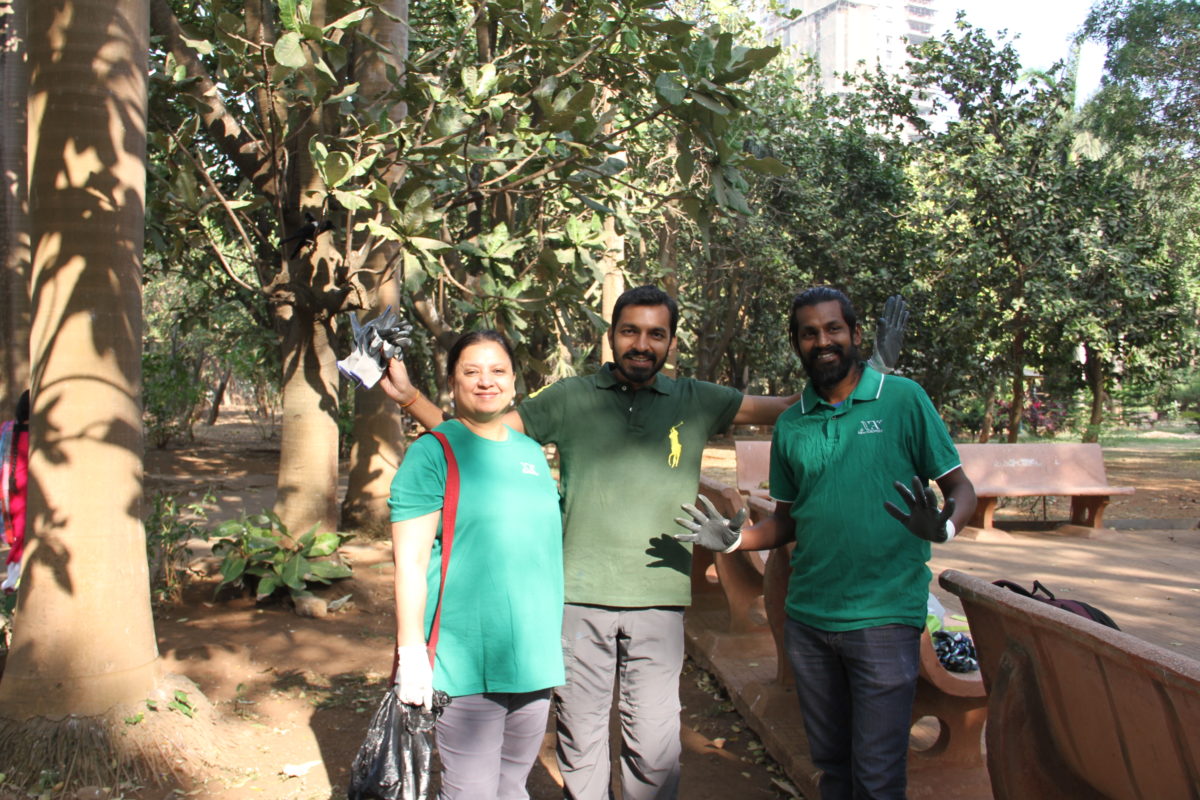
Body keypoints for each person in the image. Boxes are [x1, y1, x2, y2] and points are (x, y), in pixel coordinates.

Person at [381, 286, 906, 800]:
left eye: (656, 334)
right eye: (630, 331)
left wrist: (872, 372)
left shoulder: (698, 399)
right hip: (577, 601)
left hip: (660, 602)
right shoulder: (569, 397)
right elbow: (478, 436)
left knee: (653, 747)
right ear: (611, 336)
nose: (642, 344)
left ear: (671, 342)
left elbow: (792, 404)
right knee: (581, 743)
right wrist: (408, 397)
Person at [675, 286, 975, 800]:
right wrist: (736, 540)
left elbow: (961, 488)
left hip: (884, 620)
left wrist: (943, 527)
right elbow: (789, 521)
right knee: (833, 770)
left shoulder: (903, 399)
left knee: (877, 776)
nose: (823, 341)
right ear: (797, 344)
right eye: (809, 333)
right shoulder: (793, 424)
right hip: (809, 622)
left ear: (854, 334)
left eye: (833, 328)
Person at [388, 331, 565, 800]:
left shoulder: (531, 453)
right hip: (464, 658)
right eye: (472, 371)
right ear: (453, 383)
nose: (486, 381)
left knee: (512, 786)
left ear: (514, 382)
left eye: (498, 370)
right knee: (471, 792)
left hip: (533, 656)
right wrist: (411, 654)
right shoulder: (431, 453)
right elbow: (409, 562)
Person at [1, 390, 30, 594]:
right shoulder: (38, 435)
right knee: (22, 533)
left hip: (9, 488)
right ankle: (13, 580)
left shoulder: (6, 429)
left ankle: (13, 578)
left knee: (19, 533)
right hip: (26, 489)